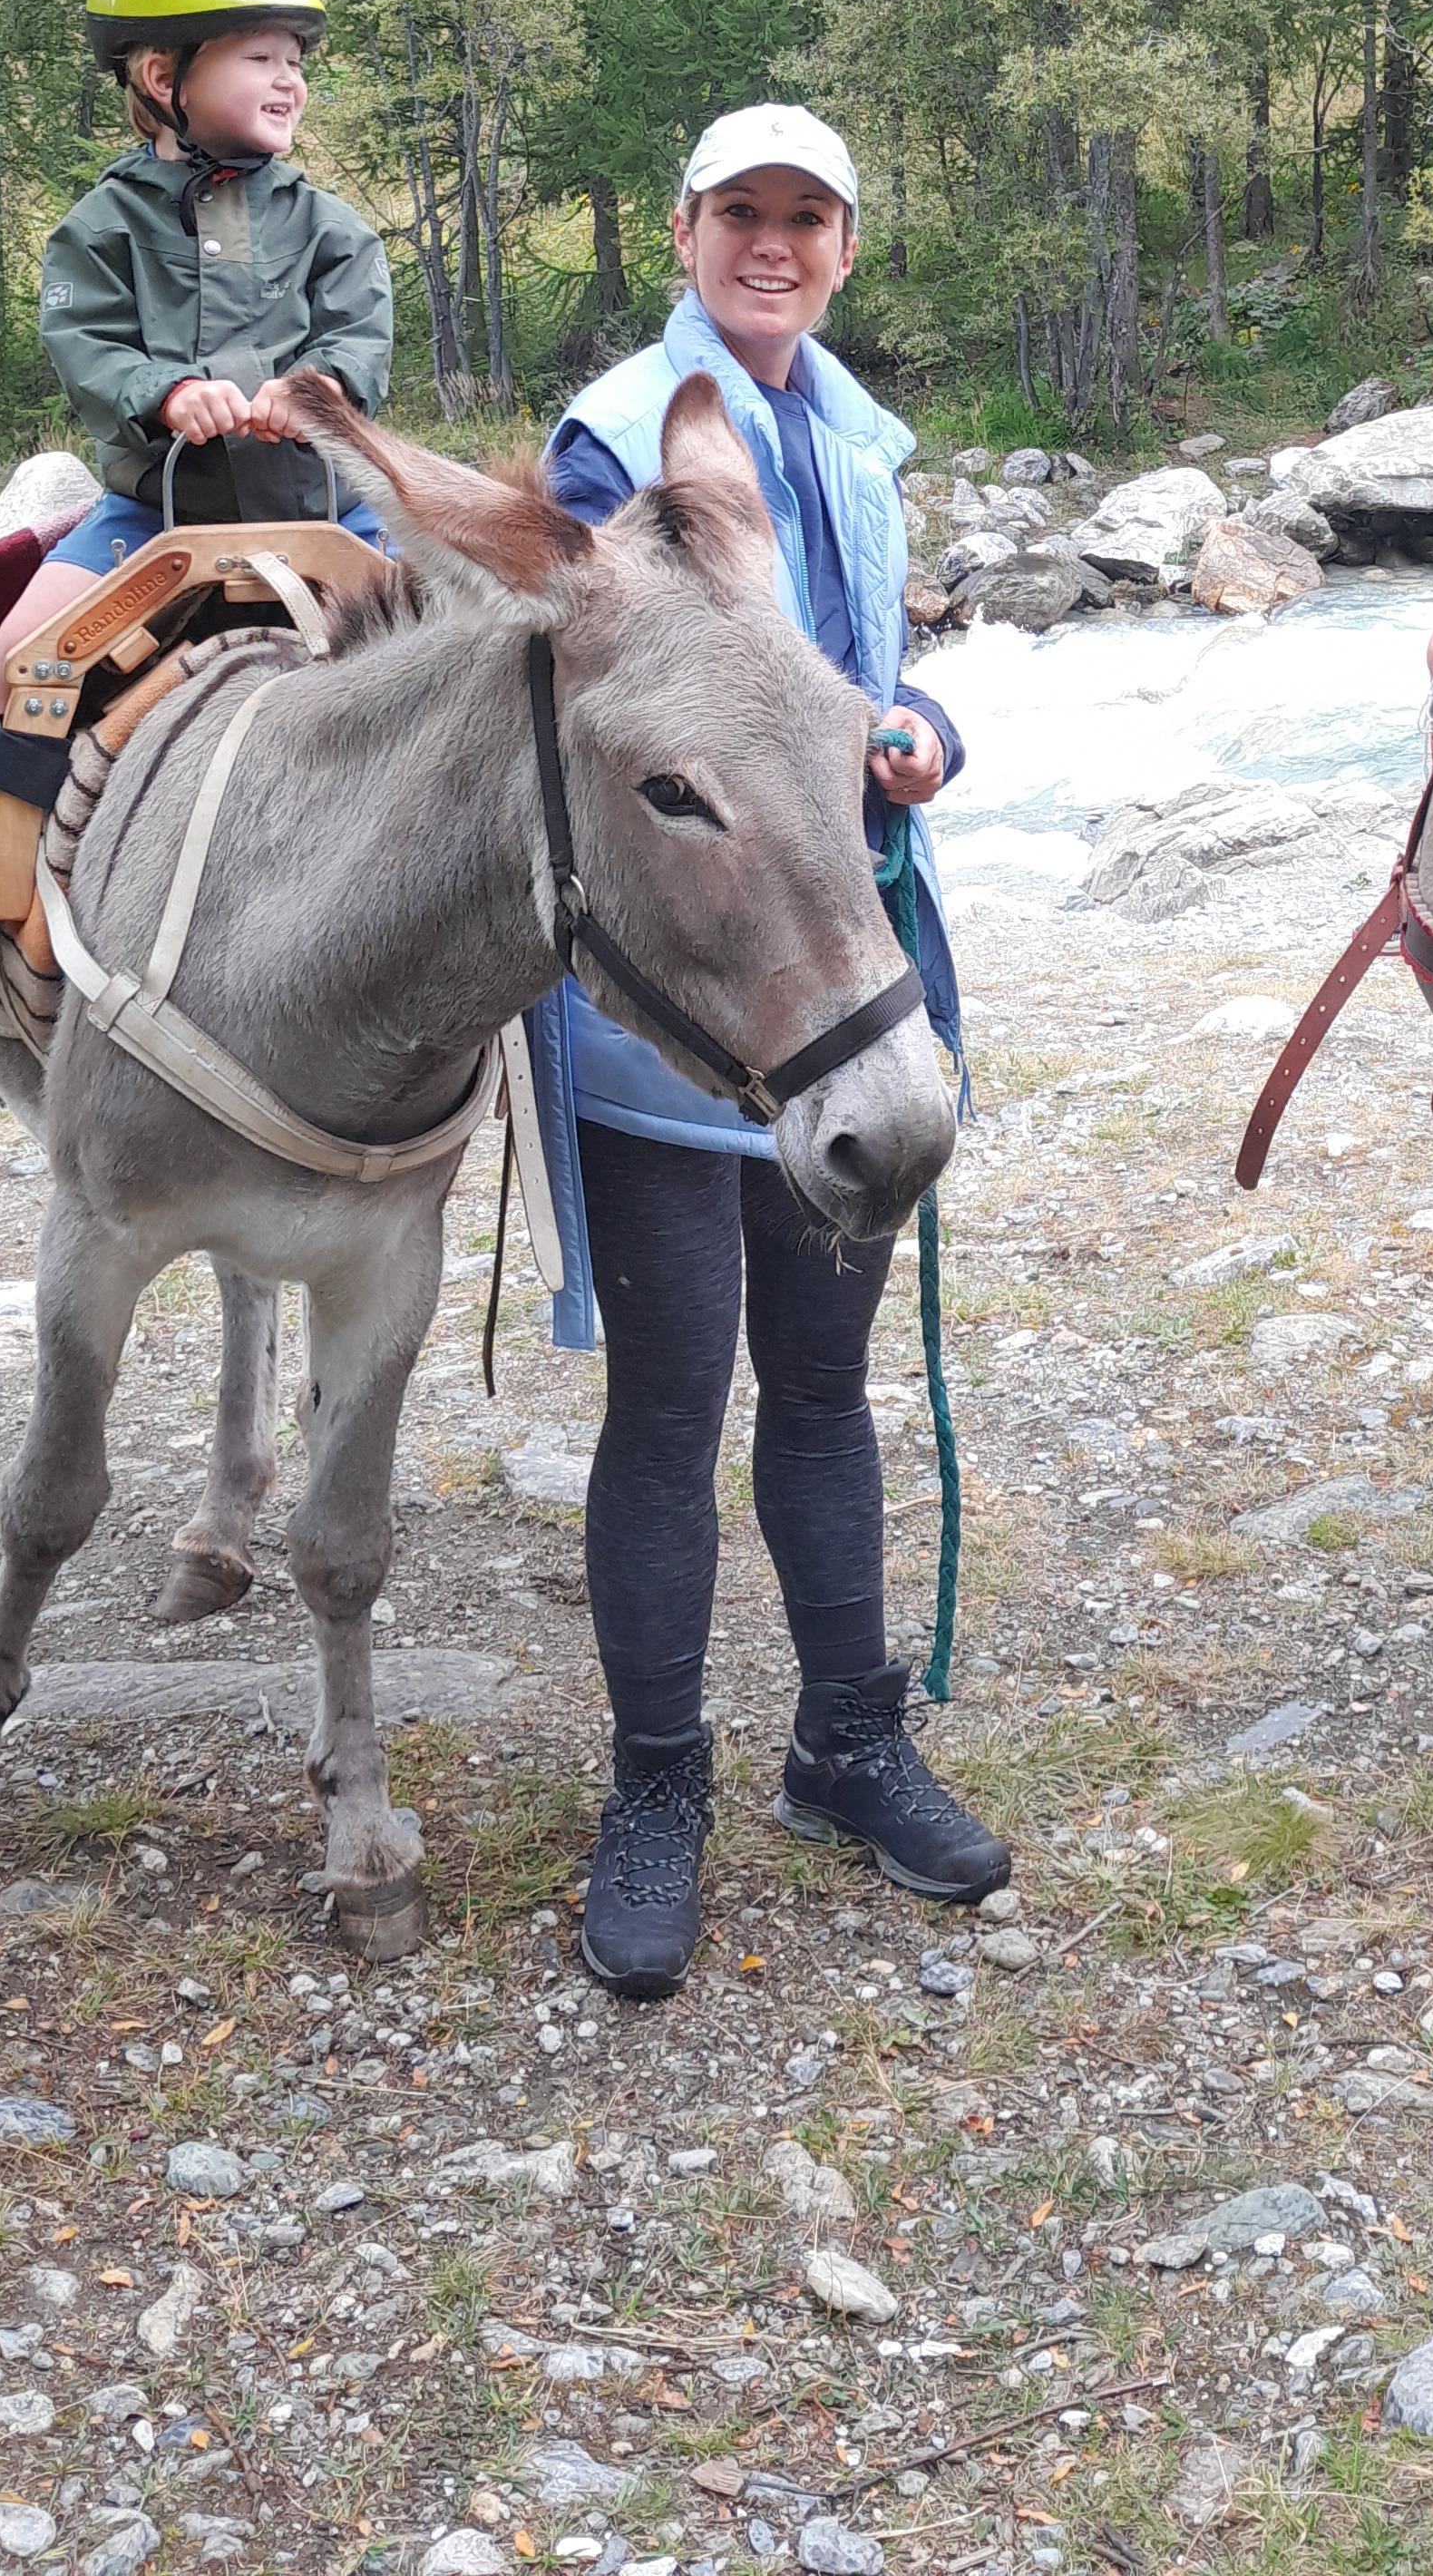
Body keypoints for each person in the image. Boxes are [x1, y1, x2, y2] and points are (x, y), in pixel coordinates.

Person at [522, 100, 1008, 2002]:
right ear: (683, 227)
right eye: (744, 215)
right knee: (671, 1400)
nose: (776, 247)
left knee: (819, 1389)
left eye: (810, 219)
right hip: (678, 989)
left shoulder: (858, 437)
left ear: (848, 246)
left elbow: (860, 669)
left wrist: (924, 732)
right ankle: (656, 1790)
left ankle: (847, 1740)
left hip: (846, 965)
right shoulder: (613, 438)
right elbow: (596, 694)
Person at [0, 0, 393, 994]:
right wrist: (164, 392)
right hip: (156, 517)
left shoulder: (335, 227)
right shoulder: (98, 228)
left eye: (296, 62)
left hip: (327, 514)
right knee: (19, 663)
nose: (290, 80)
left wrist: (315, 394)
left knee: (478, 645)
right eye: (261, 57)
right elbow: (86, 347)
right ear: (164, 75)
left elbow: (356, 345)